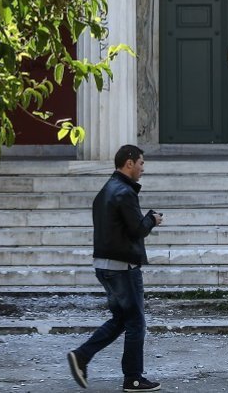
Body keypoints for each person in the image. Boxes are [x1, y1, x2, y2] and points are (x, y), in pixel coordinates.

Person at [68, 144, 164, 392]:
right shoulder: (124, 192)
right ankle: (133, 378)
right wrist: (152, 219)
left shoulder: (105, 190)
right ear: (129, 163)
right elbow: (137, 230)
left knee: (122, 319)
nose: (143, 168)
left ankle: (81, 356)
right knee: (136, 323)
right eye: (141, 163)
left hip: (105, 265)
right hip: (122, 267)